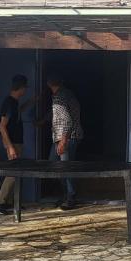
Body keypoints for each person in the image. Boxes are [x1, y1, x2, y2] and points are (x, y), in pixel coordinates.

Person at [0, 74, 34, 215]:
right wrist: (10, 147)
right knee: (12, 173)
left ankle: (11, 202)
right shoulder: (9, 103)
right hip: (13, 143)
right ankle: (0, 202)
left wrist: (30, 102)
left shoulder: (14, 103)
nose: (25, 91)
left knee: (15, 173)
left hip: (16, 142)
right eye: (25, 88)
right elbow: (2, 126)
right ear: (20, 88)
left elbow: (18, 112)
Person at [47, 76, 83, 209]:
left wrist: (63, 141)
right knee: (56, 165)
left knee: (65, 167)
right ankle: (66, 195)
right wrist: (43, 120)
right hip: (63, 137)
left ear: (48, 83)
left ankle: (70, 197)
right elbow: (57, 114)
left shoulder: (60, 96)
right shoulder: (65, 94)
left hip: (66, 137)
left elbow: (66, 120)